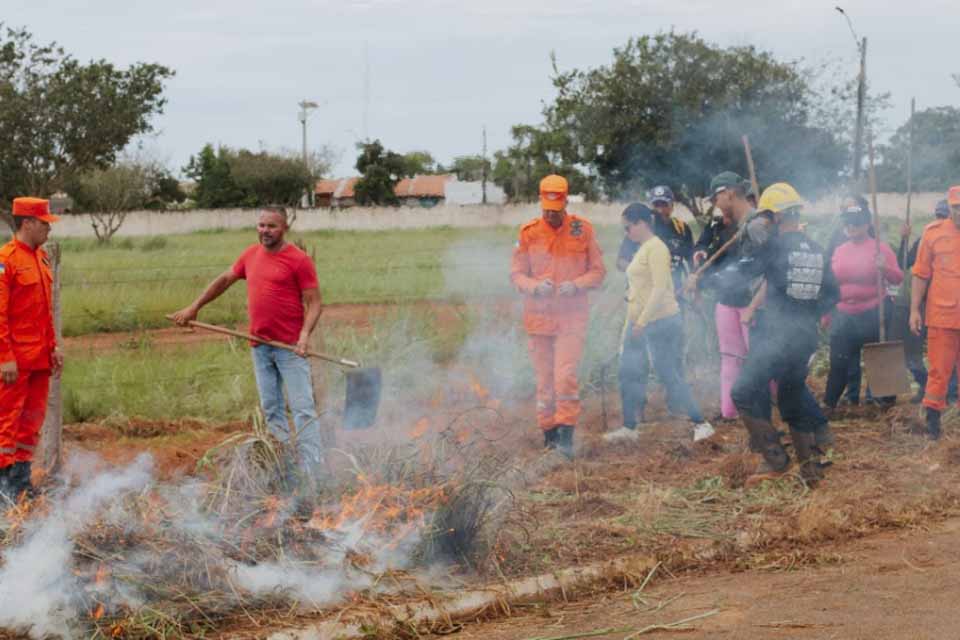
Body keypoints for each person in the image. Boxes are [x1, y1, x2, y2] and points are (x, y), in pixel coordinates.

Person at [172, 206, 324, 466]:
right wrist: (194, 307)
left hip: (289, 348)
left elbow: (315, 303)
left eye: (271, 226)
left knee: (303, 410)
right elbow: (224, 280)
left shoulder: (299, 260)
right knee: (272, 410)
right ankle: (284, 466)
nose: (265, 231)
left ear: (284, 228)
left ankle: (313, 470)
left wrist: (304, 336)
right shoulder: (250, 255)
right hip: (260, 346)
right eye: (261, 225)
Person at [730, 183, 838, 483]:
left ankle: (775, 459)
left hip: (776, 335)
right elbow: (833, 294)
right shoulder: (816, 249)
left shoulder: (773, 247)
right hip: (805, 336)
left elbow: (742, 274)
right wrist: (809, 315)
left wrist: (710, 282)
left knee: (742, 391)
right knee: (791, 397)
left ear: (774, 217)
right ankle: (809, 471)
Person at [510, 175, 606, 457]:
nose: (550, 215)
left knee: (565, 377)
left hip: (571, 319)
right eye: (546, 210)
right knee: (544, 380)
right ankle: (548, 436)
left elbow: (598, 272)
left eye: (555, 209)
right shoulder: (528, 233)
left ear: (565, 203)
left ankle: (565, 439)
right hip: (538, 319)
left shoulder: (582, 230)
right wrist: (534, 287)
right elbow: (516, 274)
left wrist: (576, 284)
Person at [603, 204, 714, 443]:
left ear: (642, 223)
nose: (626, 233)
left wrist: (641, 322)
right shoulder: (643, 248)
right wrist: (631, 324)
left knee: (668, 374)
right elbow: (636, 291)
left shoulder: (657, 249)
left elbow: (660, 289)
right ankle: (629, 427)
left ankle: (701, 424)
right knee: (627, 372)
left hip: (661, 321)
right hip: (638, 322)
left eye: (628, 227)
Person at [0, 197, 64, 501]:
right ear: (27, 223)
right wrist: (5, 357)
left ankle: (21, 482)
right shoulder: (6, 260)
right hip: (14, 362)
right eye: (44, 224)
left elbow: (44, 312)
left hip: (39, 359)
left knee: (31, 421)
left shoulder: (41, 259)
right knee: (7, 423)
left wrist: (54, 348)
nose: (48, 231)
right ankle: (3, 488)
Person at [822, 204, 903, 410]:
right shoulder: (839, 250)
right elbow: (830, 284)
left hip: (874, 311)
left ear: (867, 224)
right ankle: (830, 404)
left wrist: (883, 267)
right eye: (847, 221)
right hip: (843, 314)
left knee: (880, 358)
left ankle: (884, 404)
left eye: (856, 222)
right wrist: (826, 312)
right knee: (839, 362)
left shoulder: (880, 248)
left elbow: (897, 278)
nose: (851, 226)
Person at [690, 172, 756, 419]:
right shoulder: (716, 225)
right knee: (730, 357)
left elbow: (750, 265)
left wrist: (709, 279)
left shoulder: (753, 224)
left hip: (752, 301)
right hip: (726, 299)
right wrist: (699, 255)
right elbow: (701, 245)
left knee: (758, 356)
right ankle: (730, 411)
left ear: (729, 193)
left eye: (716, 198)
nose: (715, 205)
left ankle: (767, 407)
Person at [891, 200, 957, 403]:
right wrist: (903, 240)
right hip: (921, 306)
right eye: (937, 215)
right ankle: (927, 389)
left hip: (945, 310)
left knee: (947, 357)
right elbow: (905, 262)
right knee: (914, 355)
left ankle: (949, 394)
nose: (939, 219)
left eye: (943, 215)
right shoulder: (927, 237)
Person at [909, 186, 960, 440]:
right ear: (949, 208)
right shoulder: (933, 234)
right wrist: (914, 310)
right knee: (938, 372)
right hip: (941, 317)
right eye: (957, 208)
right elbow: (920, 274)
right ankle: (933, 428)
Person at [616, 185, 694, 293]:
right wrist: (640, 271)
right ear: (650, 207)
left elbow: (691, 260)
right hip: (642, 293)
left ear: (672, 205)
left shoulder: (682, 229)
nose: (660, 210)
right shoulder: (640, 228)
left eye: (664, 204)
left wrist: (694, 286)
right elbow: (621, 261)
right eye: (656, 205)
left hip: (674, 292)